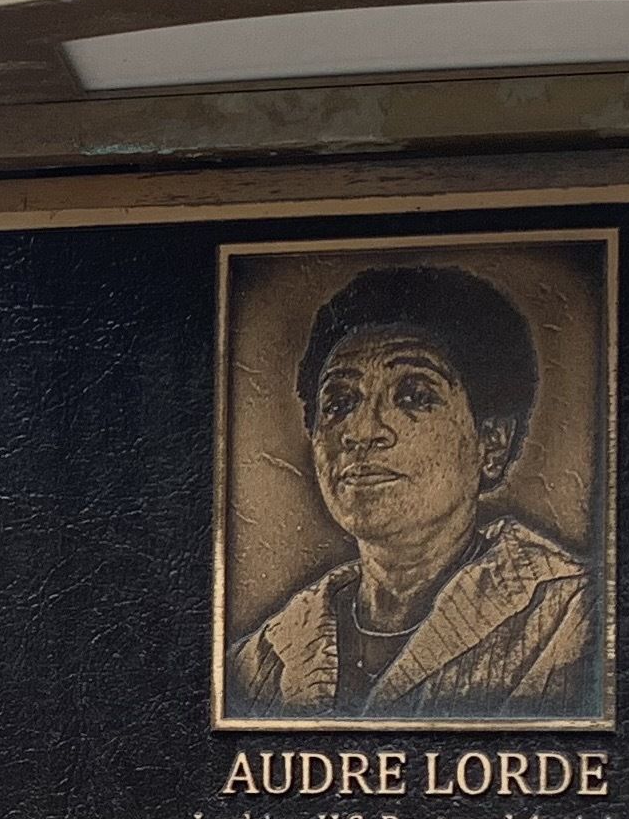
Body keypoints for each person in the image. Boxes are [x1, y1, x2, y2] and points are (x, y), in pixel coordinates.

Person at [223, 262, 598, 722]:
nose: (361, 432)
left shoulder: (578, 620)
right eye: (339, 403)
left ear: (491, 444)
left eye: (415, 396)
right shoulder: (264, 657)